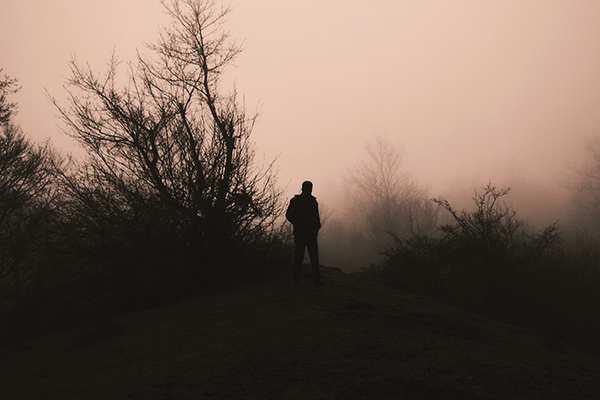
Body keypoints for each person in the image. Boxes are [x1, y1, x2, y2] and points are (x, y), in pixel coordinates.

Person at [286, 181, 321, 285]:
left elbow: (289, 215)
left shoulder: (297, 201)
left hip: (302, 232)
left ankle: (297, 279)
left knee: (300, 257)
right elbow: (316, 217)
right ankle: (315, 279)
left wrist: (297, 223)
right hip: (308, 233)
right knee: (311, 257)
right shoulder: (311, 201)